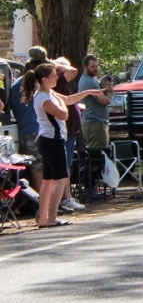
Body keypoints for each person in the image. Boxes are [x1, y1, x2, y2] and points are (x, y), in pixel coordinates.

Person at [21, 63, 102, 228]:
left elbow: (68, 99)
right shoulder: (43, 97)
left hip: (51, 139)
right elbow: (63, 114)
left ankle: (44, 218)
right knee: (60, 179)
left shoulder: (50, 93)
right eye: (53, 75)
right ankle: (51, 217)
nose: (56, 78)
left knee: (49, 180)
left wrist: (88, 92)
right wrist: (63, 106)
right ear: (44, 79)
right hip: (52, 139)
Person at [78, 54, 112, 149]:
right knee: (98, 154)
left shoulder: (91, 80)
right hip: (95, 123)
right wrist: (109, 91)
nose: (96, 69)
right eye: (92, 66)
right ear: (85, 67)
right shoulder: (89, 82)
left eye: (97, 66)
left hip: (94, 122)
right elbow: (104, 102)